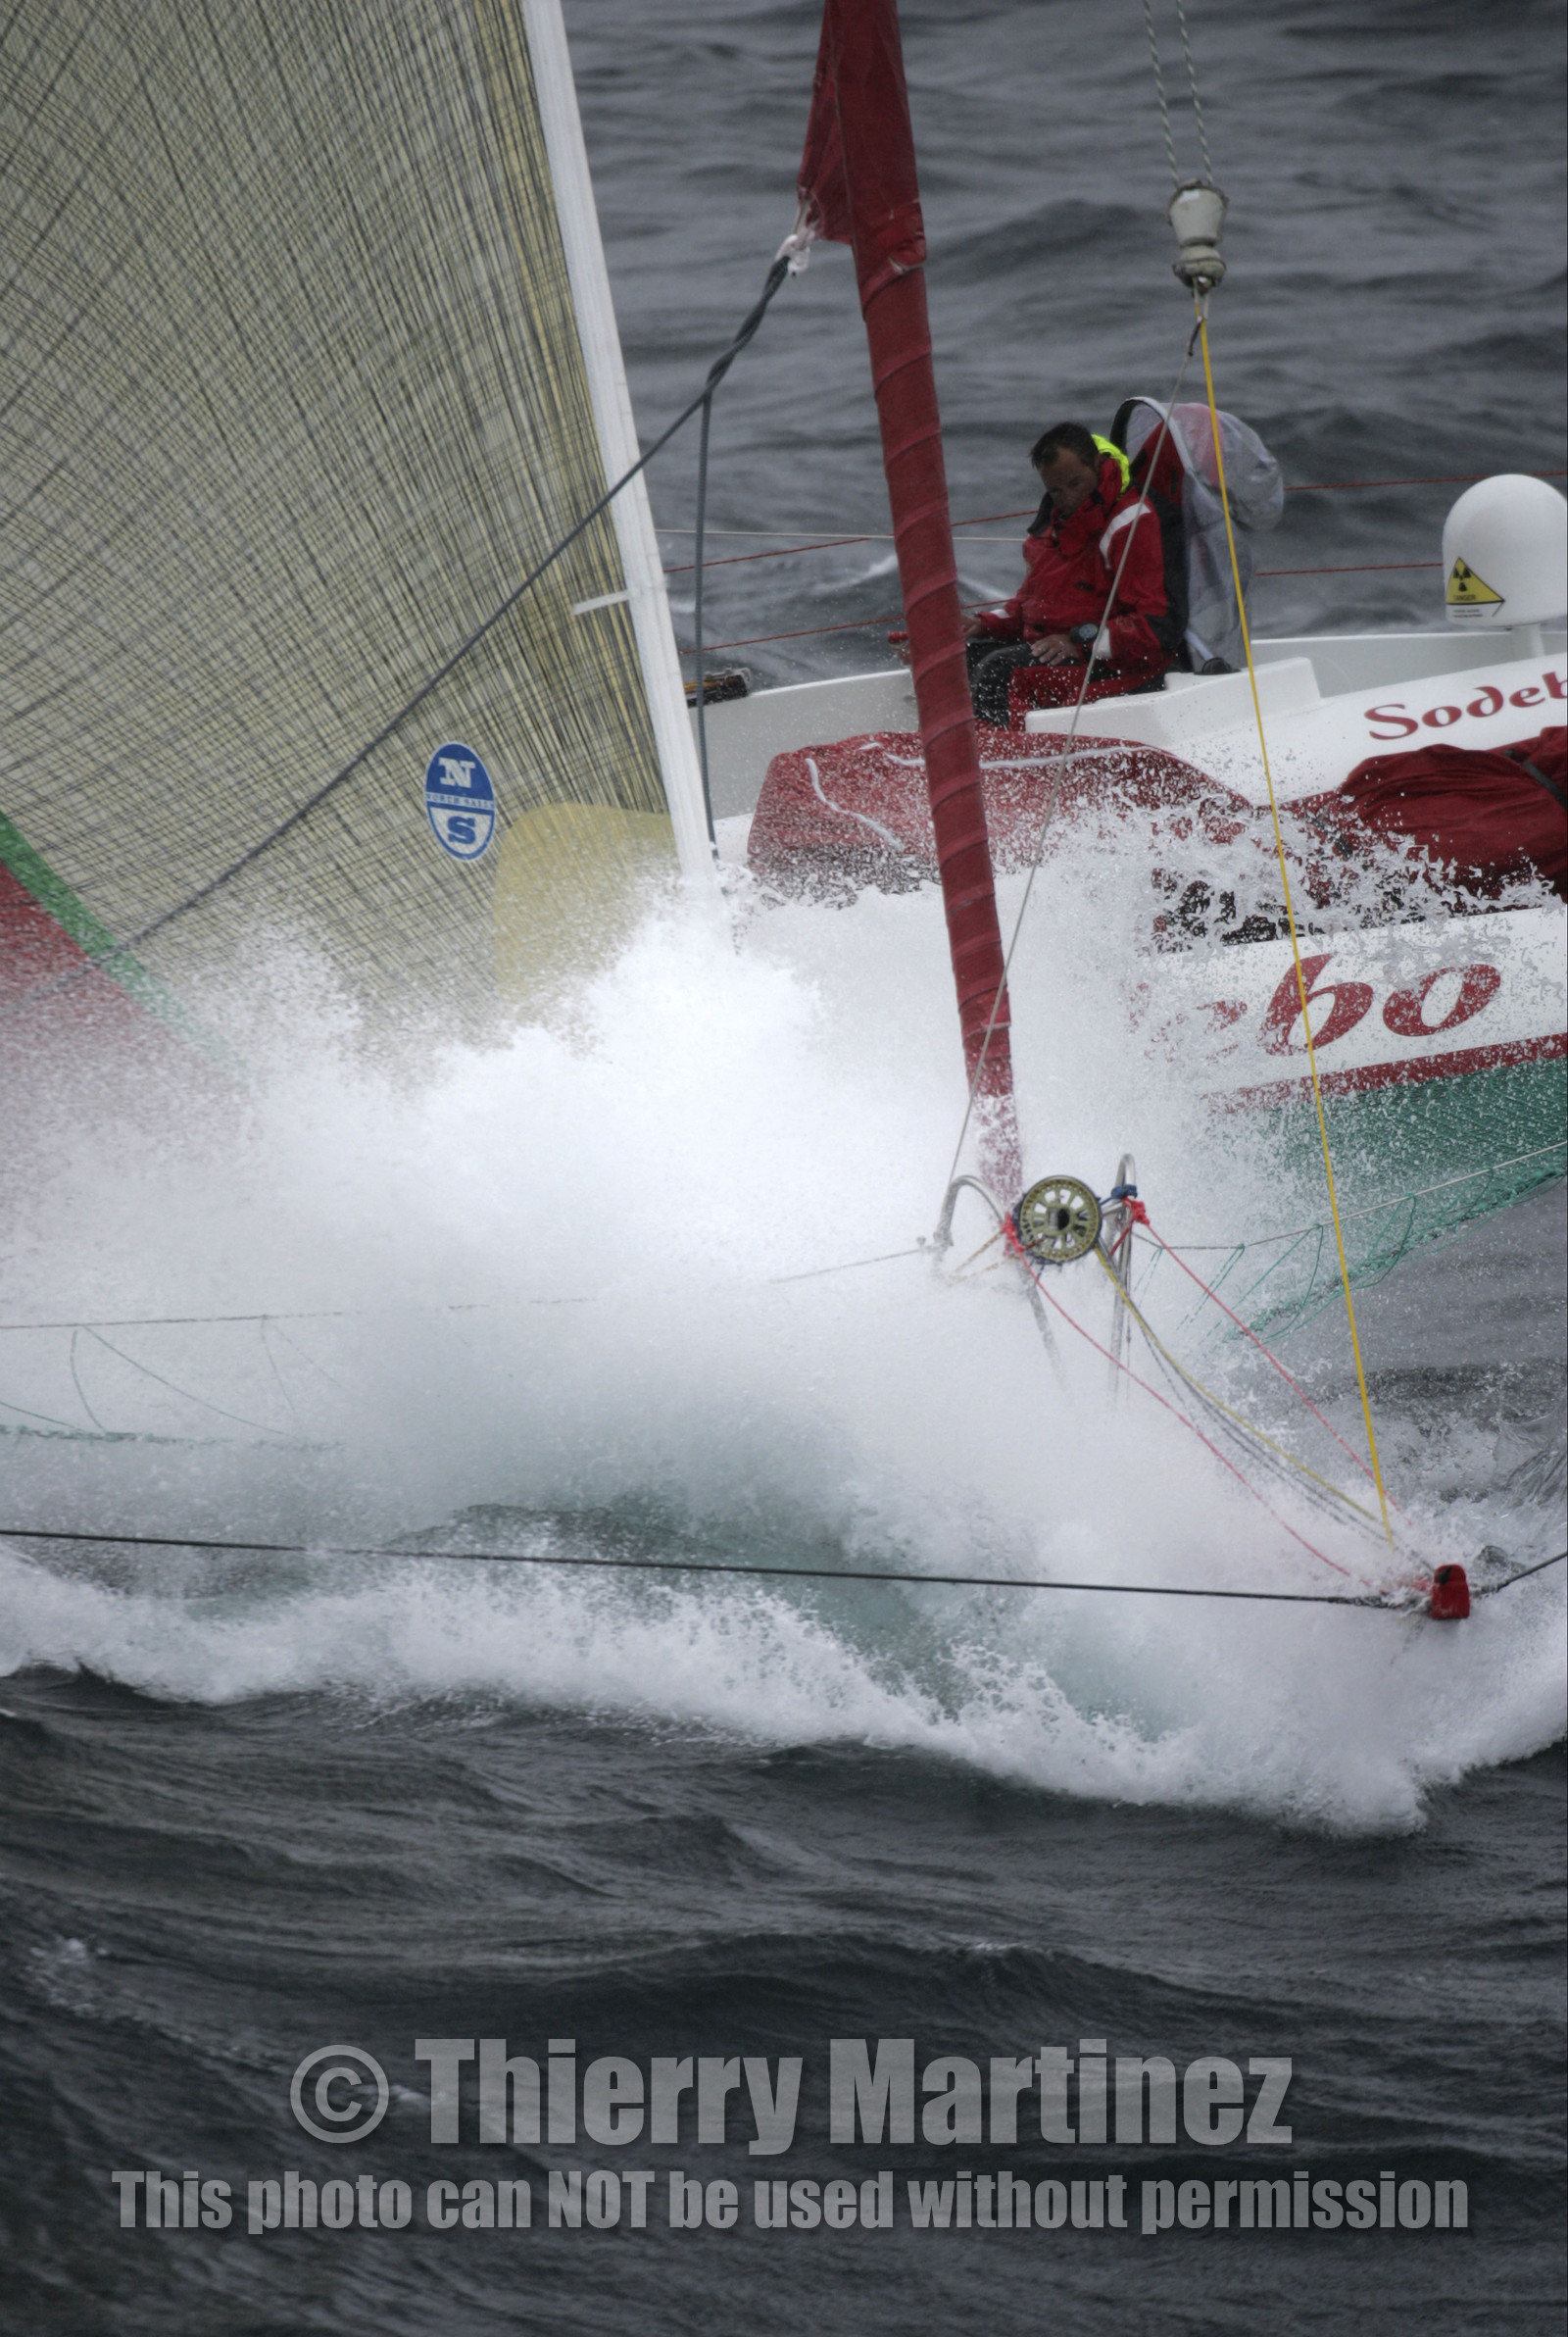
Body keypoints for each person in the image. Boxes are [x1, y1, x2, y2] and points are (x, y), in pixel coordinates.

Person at [964, 422, 1184, 726]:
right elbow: (1031, 608)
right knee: (962, 658)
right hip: (1061, 648)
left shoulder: (1131, 524)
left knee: (998, 672)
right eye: (1055, 490)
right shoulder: (1053, 528)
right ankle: (956, 754)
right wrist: (982, 624)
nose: (1067, 498)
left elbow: (1153, 628)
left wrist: (1078, 642)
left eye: (1075, 484)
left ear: (1097, 465)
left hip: (1117, 660)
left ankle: (998, 763)